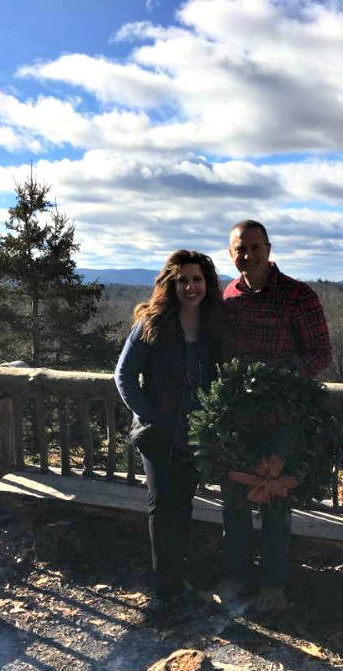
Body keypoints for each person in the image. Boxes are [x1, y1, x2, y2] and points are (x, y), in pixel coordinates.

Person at [217, 220, 332, 613]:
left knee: (275, 502)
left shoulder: (299, 297)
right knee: (233, 501)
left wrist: (278, 382)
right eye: (239, 249)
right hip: (237, 422)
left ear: (268, 248)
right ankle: (234, 580)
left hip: (281, 421)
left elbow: (320, 354)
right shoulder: (229, 294)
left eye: (253, 247)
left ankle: (273, 588)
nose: (246, 255)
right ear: (230, 253)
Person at [114, 250, 223, 614]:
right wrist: (151, 416)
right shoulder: (152, 323)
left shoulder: (212, 327)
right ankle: (163, 593)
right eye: (183, 280)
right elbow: (123, 376)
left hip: (196, 434)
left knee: (183, 505)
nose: (191, 287)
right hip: (158, 435)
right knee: (162, 508)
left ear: (207, 284)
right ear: (171, 284)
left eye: (197, 280)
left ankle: (178, 582)